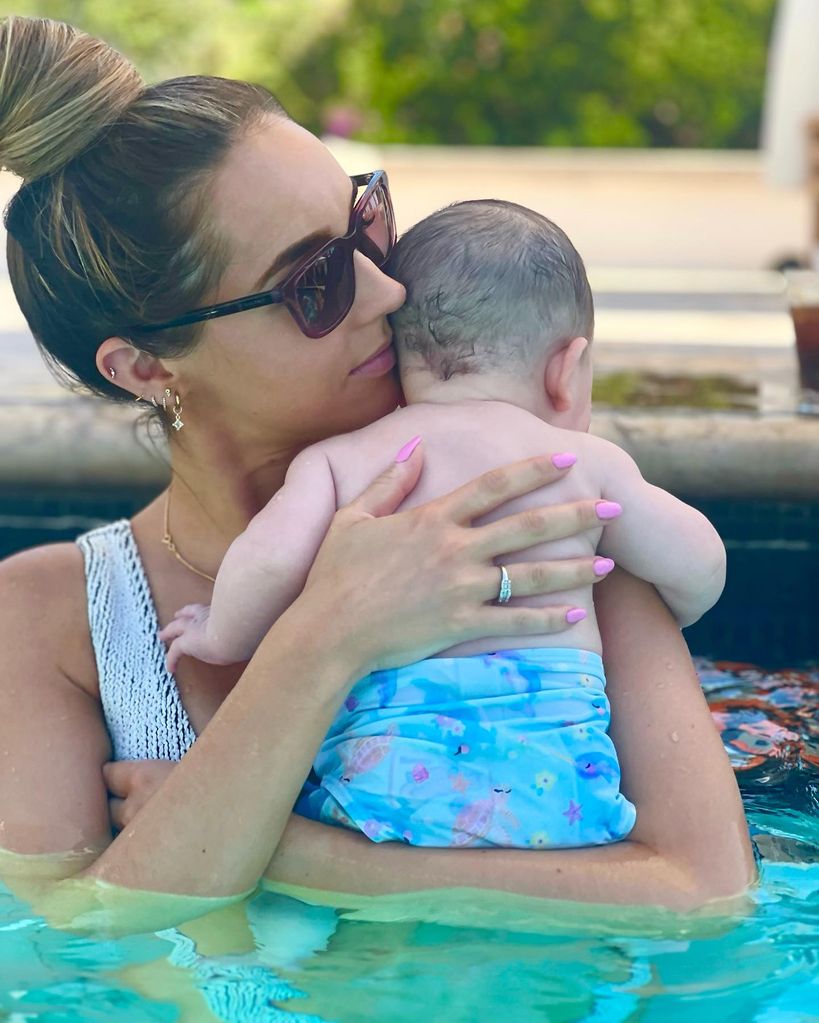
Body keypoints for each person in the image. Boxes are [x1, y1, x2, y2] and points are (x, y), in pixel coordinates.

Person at [0, 16, 753, 923]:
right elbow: (70, 946)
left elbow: (705, 892)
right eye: (315, 281)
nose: (388, 289)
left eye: (367, 224)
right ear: (147, 367)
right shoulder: (46, 624)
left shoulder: (529, 515)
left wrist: (276, 843)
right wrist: (324, 637)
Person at [159, 200, 726, 852]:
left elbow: (268, 561)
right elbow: (700, 561)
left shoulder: (343, 460)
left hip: (381, 794)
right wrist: (667, 608)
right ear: (565, 370)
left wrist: (219, 632)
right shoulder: (584, 464)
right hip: (554, 798)